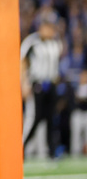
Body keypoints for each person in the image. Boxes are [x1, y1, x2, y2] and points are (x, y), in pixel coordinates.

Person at [21, 9, 64, 158]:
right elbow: (23, 63)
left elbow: (56, 65)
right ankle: (21, 149)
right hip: (37, 85)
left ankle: (52, 153)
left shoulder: (56, 43)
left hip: (51, 85)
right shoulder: (32, 42)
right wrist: (24, 83)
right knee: (33, 119)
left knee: (52, 119)